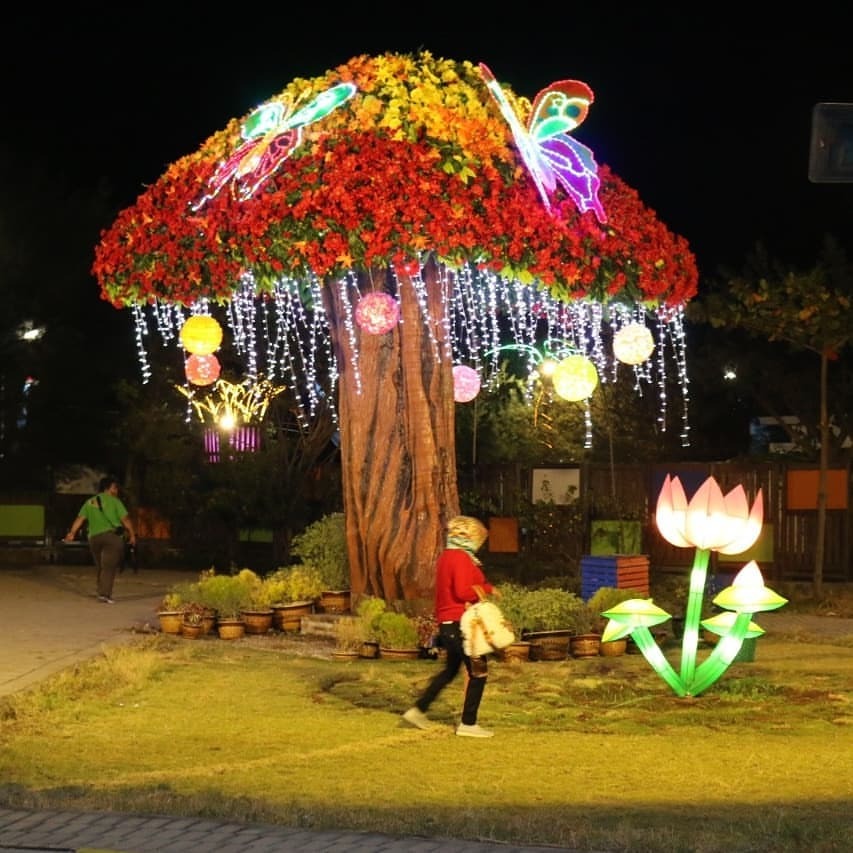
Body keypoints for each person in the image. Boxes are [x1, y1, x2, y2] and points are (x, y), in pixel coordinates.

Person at [402, 515, 498, 738]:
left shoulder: (447, 556)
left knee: (450, 671)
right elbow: (463, 591)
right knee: (479, 671)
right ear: (469, 536)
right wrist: (487, 590)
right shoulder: (462, 559)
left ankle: (418, 710)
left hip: (447, 623)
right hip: (461, 625)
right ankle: (468, 723)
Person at [63, 476, 136, 604]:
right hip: (111, 537)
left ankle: (101, 590)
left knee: (101, 566)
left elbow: (80, 518)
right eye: (115, 487)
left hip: (94, 538)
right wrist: (132, 534)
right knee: (108, 566)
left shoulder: (90, 502)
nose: (117, 490)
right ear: (108, 488)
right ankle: (104, 594)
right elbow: (125, 519)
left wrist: (72, 533)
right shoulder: (115, 501)